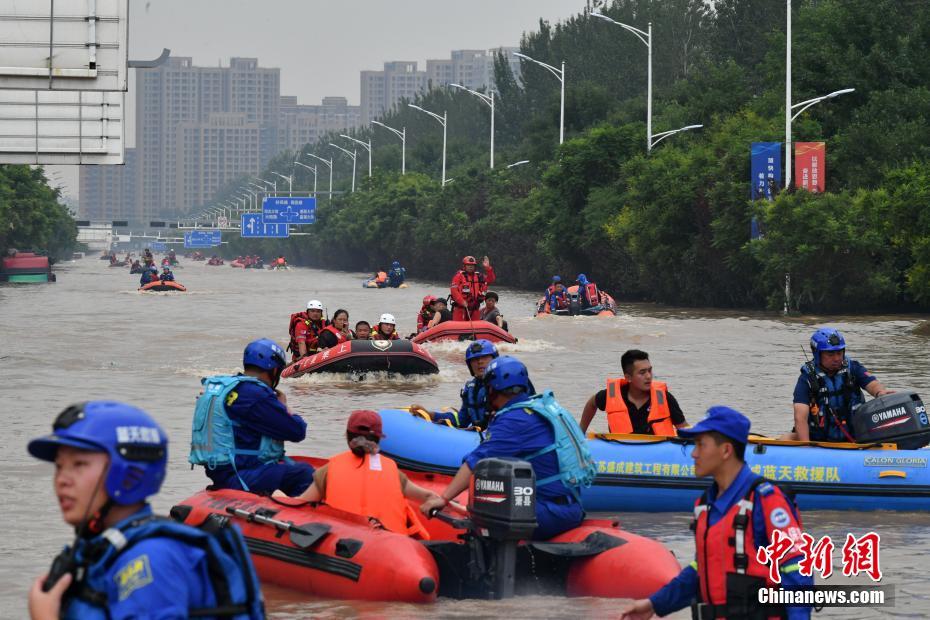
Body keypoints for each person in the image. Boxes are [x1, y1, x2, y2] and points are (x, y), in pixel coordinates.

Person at [27, 401, 264, 620]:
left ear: (127, 473)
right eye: (59, 467)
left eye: (79, 464)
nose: (61, 480)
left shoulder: (152, 558)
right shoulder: (103, 548)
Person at [620, 406, 812, 620]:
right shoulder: (705, 505)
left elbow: (797, 568)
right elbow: (700, 570)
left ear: (726, 451)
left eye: (701, 444)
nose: (694, 453)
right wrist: (653, 604)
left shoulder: (765, 500)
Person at [420, 356, 589, 540]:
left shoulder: (513, 420)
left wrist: (443, 499)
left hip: (550, 513)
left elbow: (475, 462)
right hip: (571, 506)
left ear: (493, 389)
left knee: (485, 515)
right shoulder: (538, 407)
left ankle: (494, 567)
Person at [190, 338, 314, 495]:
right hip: (241, 475)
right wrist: (284, 405)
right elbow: (297, 431)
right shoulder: (254, 395)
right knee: (305, 473)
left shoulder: (228, 387)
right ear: (274, 370)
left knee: (286, 466)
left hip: (220, 472)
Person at [287, 410, 439, 537]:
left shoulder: (330, 469)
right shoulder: (392, 471)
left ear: (347, 436)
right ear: (378, 439)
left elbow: (301, 504)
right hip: (391, 547)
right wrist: (439, 499)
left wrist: (277, 496)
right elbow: (427, 497)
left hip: (345, 546)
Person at [787, 327, 893, 442]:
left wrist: (880, 392)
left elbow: (872, 384)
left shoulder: (852, 368)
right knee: (787, 438)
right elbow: (800, 417)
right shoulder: (806, 379)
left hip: (856, 438)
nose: (837, 358)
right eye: (830, 354)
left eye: (839, 353)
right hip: (819, 441)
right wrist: (806, 450)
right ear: (818, 354)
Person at [579, 349, 688, 435]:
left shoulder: (664, 398)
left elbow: (684, 428)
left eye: (650, 370)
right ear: (628, 378)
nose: (649, 376)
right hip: (622, 454)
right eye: (642, 372)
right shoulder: (610, 396)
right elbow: (591, 404)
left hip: (656, 456)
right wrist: (580, 433)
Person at [430, 339, 499, 429]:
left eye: (484, 357)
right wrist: (432, 415)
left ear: (495, 360)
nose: (480, 362)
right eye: (474, 359)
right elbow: (461, 420)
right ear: (469, 365)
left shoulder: (502, 386)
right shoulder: (471, 388)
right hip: (476, 435)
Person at [450, 255, 496, 321]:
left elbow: (491, 279)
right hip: (461, 309)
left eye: (472, 265)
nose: (471, 267)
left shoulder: (479, 276)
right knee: (460, 328)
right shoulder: (458, 276)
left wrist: (488, 268)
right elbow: (454, 291)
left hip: (475, 309)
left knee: (475, 328)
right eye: (468, 265)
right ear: (464, 266)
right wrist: (462, 301)